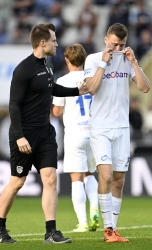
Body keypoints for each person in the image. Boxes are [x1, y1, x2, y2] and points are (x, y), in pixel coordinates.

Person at [0, 23, 87, 244]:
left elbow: (52, 89)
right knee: (17, 182)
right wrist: (19, 135)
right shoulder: (23, 69)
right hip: (25, 134)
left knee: (50, 179)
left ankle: (51, 232)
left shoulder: (49, 65)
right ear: (42, 43)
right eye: (53, 40)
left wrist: (76, 91)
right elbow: (13, 104)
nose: (57, 43)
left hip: (45, 133)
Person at [84, 23, 150, 243]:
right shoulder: (93, 59)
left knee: (119, 180)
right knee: (105, 175)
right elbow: (91, 89)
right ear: (105, 40)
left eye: (121, 44)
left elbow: (144, 87)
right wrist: (105, 62)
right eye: (114, 44)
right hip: (100, 127)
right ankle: (108, 230)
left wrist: (133, 62)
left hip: (122, 127)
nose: (118, 48)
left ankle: (114, 228)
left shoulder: (127, 58)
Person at [52, 44, 99, 233]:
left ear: (67, 60)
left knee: (76, 178)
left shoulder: (62, 80)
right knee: (90, 174)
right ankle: (95, 209)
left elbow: (56, 111)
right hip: (94, 132)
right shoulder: (93, 79)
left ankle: (83, 222)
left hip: (74, 133)